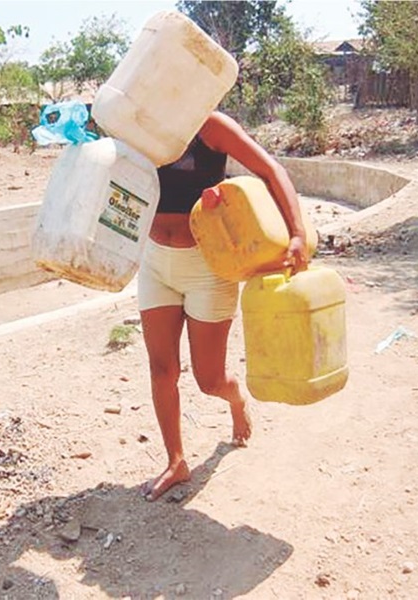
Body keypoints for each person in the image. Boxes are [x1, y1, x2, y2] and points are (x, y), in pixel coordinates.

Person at [138, 110, 310, 501]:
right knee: (161, 369)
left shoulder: (209, 125)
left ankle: (236, 401)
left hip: (209, 266)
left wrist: (297, 232)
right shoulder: (141, 122)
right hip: (155, 262)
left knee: (209, 379)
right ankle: (176, 461)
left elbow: (270, 170)